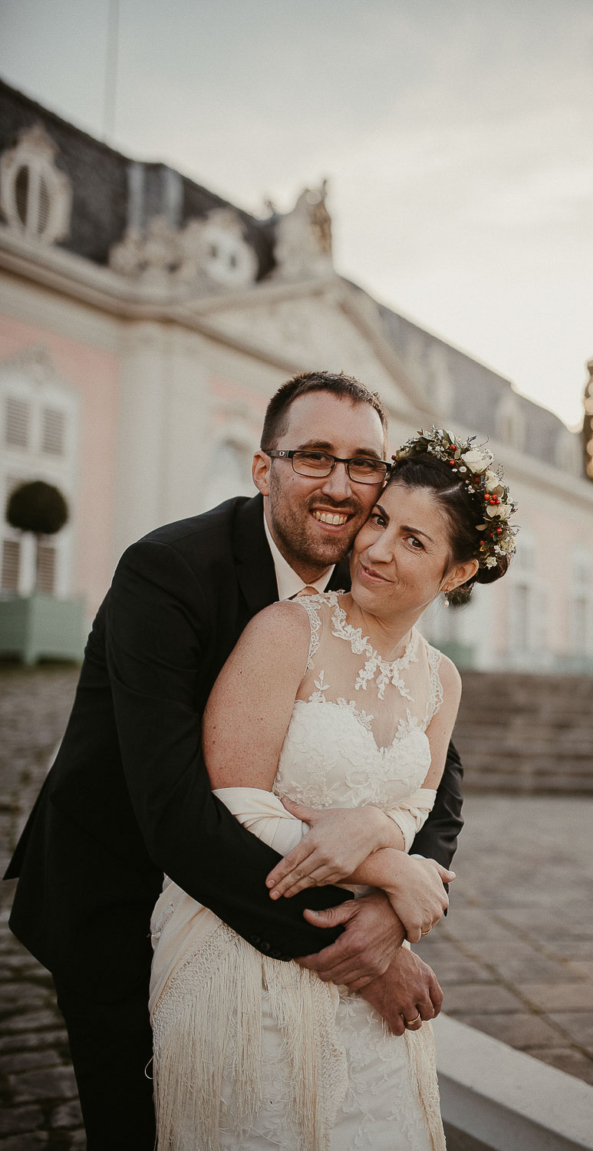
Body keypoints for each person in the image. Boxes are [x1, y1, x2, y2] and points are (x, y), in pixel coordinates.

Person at [5, 374, 467, 1151]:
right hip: (119, 898)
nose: (342, 486)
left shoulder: (366, 578)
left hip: (266, 897)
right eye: (315, 456)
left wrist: (395, 904)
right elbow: (175, 814)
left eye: (365, 465)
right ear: (263, 469)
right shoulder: (167, 572)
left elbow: (436, 773)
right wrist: (360, 951)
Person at [149, 426, 517, 1149]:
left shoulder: (442, 680)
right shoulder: (288, 630)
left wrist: (383, 858)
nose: (377, 548)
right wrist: (387, 868)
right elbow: (237, 802)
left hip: (367, 966)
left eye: (415, 540)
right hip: (240, 945)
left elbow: (417, 806)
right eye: (380, 520)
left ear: (457, 570)